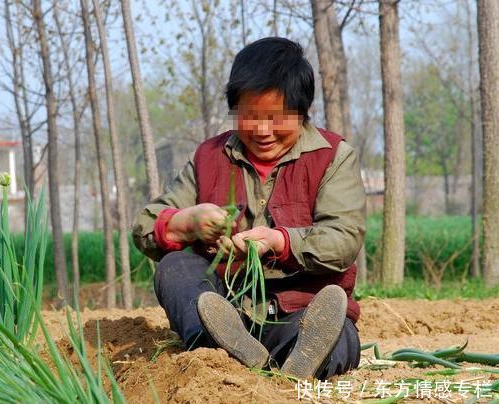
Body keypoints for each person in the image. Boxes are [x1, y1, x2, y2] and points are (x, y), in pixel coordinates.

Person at [132, 37, 365, 379]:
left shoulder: (332, 156)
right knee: (176, 265)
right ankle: (219, 344)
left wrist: (279, 242)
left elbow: (342, 239)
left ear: (302, 111)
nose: (262, 131)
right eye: (250, 116)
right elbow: (145, 226)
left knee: (335, 336)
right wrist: (186, 223)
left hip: (298, 311)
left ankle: (297, 362)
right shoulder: (208, 157)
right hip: (224, 310)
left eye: (276, 118)